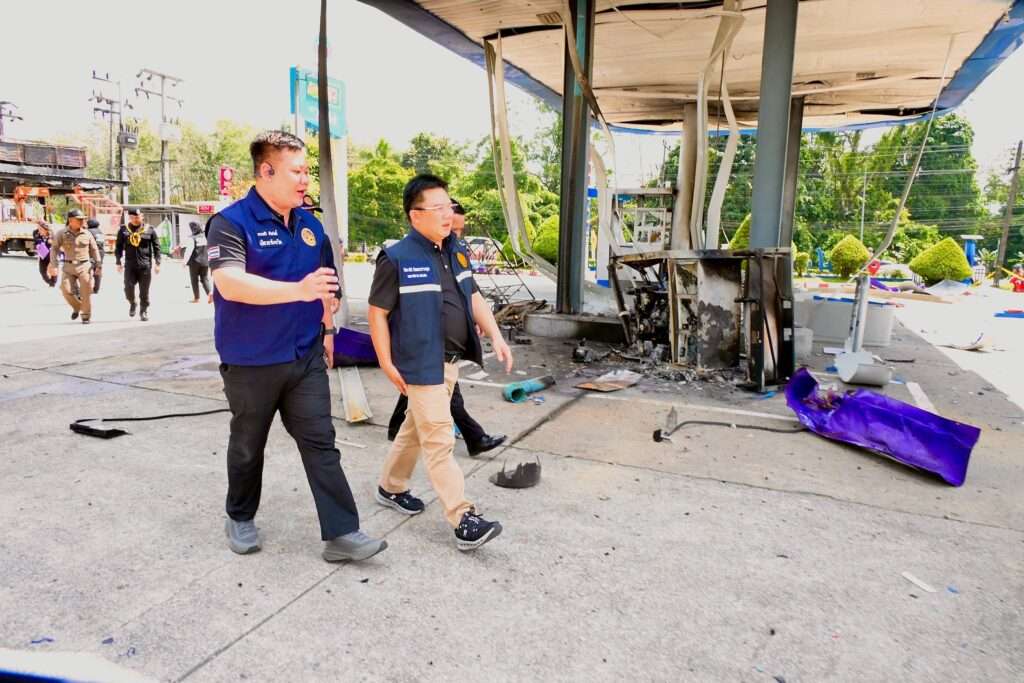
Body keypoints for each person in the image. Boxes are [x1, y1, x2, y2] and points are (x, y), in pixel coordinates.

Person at [207, 129, 386, 563]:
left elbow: (324, 285)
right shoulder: (232, 222)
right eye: (296, 171)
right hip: (251, 361)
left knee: (321, 442)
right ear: (266, 171)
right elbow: (229, 283)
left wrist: (328, 330)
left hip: (304, 356)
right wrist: (298, 291)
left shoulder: (310, 226)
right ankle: (239, 516)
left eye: (307, 171)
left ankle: (342, 533)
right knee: (248, 444)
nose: (305, 180)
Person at [368, 174, 512, 551]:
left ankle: (390, 486)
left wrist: (496, 335)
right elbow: (377, 313)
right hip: (419, 363)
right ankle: (463, 517)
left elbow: (473, 296)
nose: (448, 214)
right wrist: (385, 361)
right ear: (416, 215)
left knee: (415, 429)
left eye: (449, 206)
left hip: (448, 362)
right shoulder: (396, 258)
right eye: (439, 208)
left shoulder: (455, 250)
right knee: (439, 437)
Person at [385, 199, 506, 456]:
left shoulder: (455, 251)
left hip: (444, 345)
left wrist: (474, 321)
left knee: (426, 394)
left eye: (460, 229)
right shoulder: (407, 256)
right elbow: (384, 309)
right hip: (424, 342)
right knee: (442, 420)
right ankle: (474, 439)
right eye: (453, 228)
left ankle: (399, 432)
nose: (457, 234)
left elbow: (467, 290)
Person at [48, 209, 100, 324]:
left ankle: (86, 315)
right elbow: (54, 249)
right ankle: (78, 307)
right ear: (71, 220)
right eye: (79, 219)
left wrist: (98, 265)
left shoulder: (87, 233)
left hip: (84, 266)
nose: (82, 221)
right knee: (65, 289)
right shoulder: (61, 233)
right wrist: (54, 265)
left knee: (85, 292)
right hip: (68, 266)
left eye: (83, 219)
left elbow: (94, 249)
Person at [115, 208, 161, 321]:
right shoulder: (123, 230)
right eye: (133, 217)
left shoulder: (149, 229)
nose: (136, 219)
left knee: (144, 291)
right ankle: (132, 302)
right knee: (128, 288)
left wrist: (158, 263)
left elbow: (156, 247)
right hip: (130, 265)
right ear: (130, 217)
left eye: (138, 217)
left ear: (142, 216)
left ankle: (143, 311)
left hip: (145, 266)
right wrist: (118, 262)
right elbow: (118, 247)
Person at [181, 221, 211, 302]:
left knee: (194, 280)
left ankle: (196, 298)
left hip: (194, 262)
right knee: (204, 278)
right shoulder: (206, 237)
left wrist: (184, 262)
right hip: (205, 261)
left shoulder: (192, 238)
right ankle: (210, 294)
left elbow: (189, 251)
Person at [32, 221, 56, 287]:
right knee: (42, 272)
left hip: (51, 255)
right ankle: (50, 282)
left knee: (52, 270)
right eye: (38, 228)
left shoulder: (52, 235)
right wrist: (38, 245)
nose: (39, 231)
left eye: (40, 229)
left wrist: (51, 242)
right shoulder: (36, 233)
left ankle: (53, 283)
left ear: (46, 230)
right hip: (42, 254)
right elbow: (36, 241)